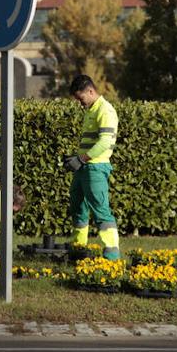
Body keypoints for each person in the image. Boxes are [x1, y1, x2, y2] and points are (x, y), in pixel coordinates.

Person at [63, 74, 121, 260]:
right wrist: (77, 159)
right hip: (85, 167)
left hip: (95, 168)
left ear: (90, 91)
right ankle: (79, 249)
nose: (80, 102)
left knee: (101, 210)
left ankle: (112, 255)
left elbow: (105, 142)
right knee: (78, 206)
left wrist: (80, 159)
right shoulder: (91, 110)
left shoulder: (105, 111)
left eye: (81, 98)